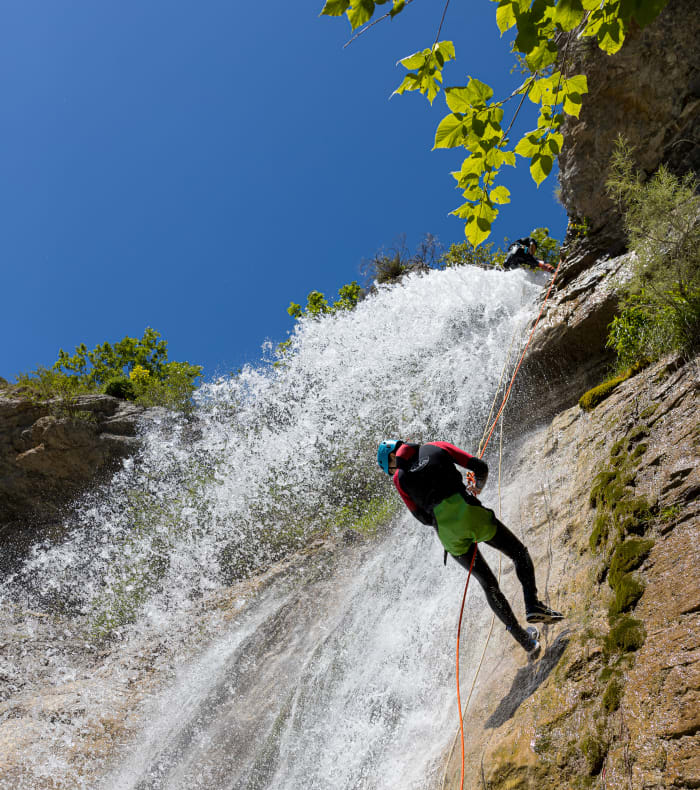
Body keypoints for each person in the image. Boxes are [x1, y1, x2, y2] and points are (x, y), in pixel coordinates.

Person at [377, 439, 563, 656]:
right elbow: (480, 467)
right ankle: (533, 606)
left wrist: (444, 515)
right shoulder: (437, 446)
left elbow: (423, 518)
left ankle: (526, 642)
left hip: (448, 534)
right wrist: (475, 488)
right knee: (518, 553)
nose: (393, 472)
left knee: (488, 583)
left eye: (390, 467)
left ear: (392, 455)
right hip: (471, 515)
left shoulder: (399, 479)